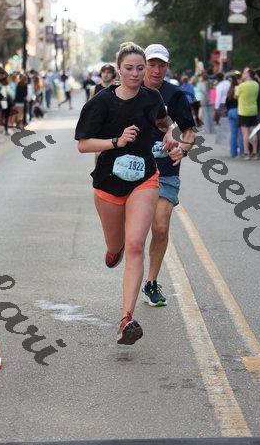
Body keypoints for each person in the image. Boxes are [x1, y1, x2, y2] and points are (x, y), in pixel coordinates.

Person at [75, 42, 178, 345]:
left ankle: (126, 319)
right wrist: (116, 142)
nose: (135, 73)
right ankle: (113, 249)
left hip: (144, 179)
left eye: (140, 68)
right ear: (118, 69)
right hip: (108, 183)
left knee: (135, 246)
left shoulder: (152, 97)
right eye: (129, 68)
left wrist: (170, 134)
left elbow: (164, 121)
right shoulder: (101, 102)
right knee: (117, 245)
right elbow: (83, 144)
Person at [142, 44, 196, 306]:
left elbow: (189, 131)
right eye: (152, 64)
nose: (156, 70)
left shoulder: (175, 95)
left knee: (160, 227)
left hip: (165, 169)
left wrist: (182, 150)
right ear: (143, 65)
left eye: (161, 65)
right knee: (131, 235)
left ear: (167, 67)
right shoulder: (130, 90)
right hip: (132, 170)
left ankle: (151, 282)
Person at [235, 67, 259, 160]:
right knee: (254, 132)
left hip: (243, 111)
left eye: (244, 73)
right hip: (254, 110)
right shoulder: (256, 84)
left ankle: (246, 153)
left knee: (245, 134)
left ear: (248, 74)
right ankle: (255, 152)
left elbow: (236, 96)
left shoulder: (241, 86)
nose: (242, 74)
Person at [226, 74, 244, 158]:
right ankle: (242, 152)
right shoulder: (239, 89)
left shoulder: (230, 90)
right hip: (238, 111)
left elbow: (226, 102)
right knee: (241, 133)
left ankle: (233, 153)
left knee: (233, 133)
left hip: (230, 111)